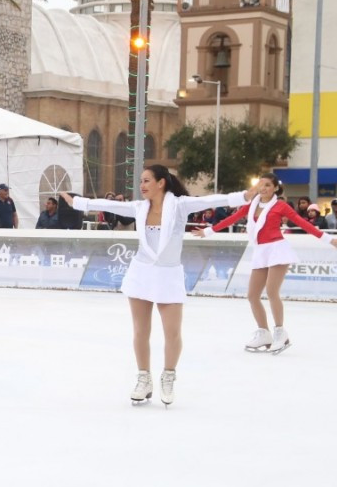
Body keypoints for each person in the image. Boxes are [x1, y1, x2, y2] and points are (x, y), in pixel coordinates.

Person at [59, 165, 256, 407]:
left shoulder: (180, 205)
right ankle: (144, 379)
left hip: (169, 275)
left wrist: (243, 196)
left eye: (146, 181)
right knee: (140, 331)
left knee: (172, 333)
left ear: (161, 182)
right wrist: (77, 202)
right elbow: (108, 205)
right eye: (141, 181)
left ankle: (168, 376)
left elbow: (210, 200)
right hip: (141, 273)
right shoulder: (139, 207)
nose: (141, 185)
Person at [194, 172, 337, 354]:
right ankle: (264, 333)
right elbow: (231, 219)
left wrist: (329, 239)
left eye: (267, 185)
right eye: (261, 184)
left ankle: (280, 332)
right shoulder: (251, 204)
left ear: (275, 188)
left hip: (277, 250)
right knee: (252, 295)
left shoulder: (280, 206)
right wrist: (208, 231)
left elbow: (303, 223)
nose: (263, 188)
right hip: (261, 251)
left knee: (272, 291)